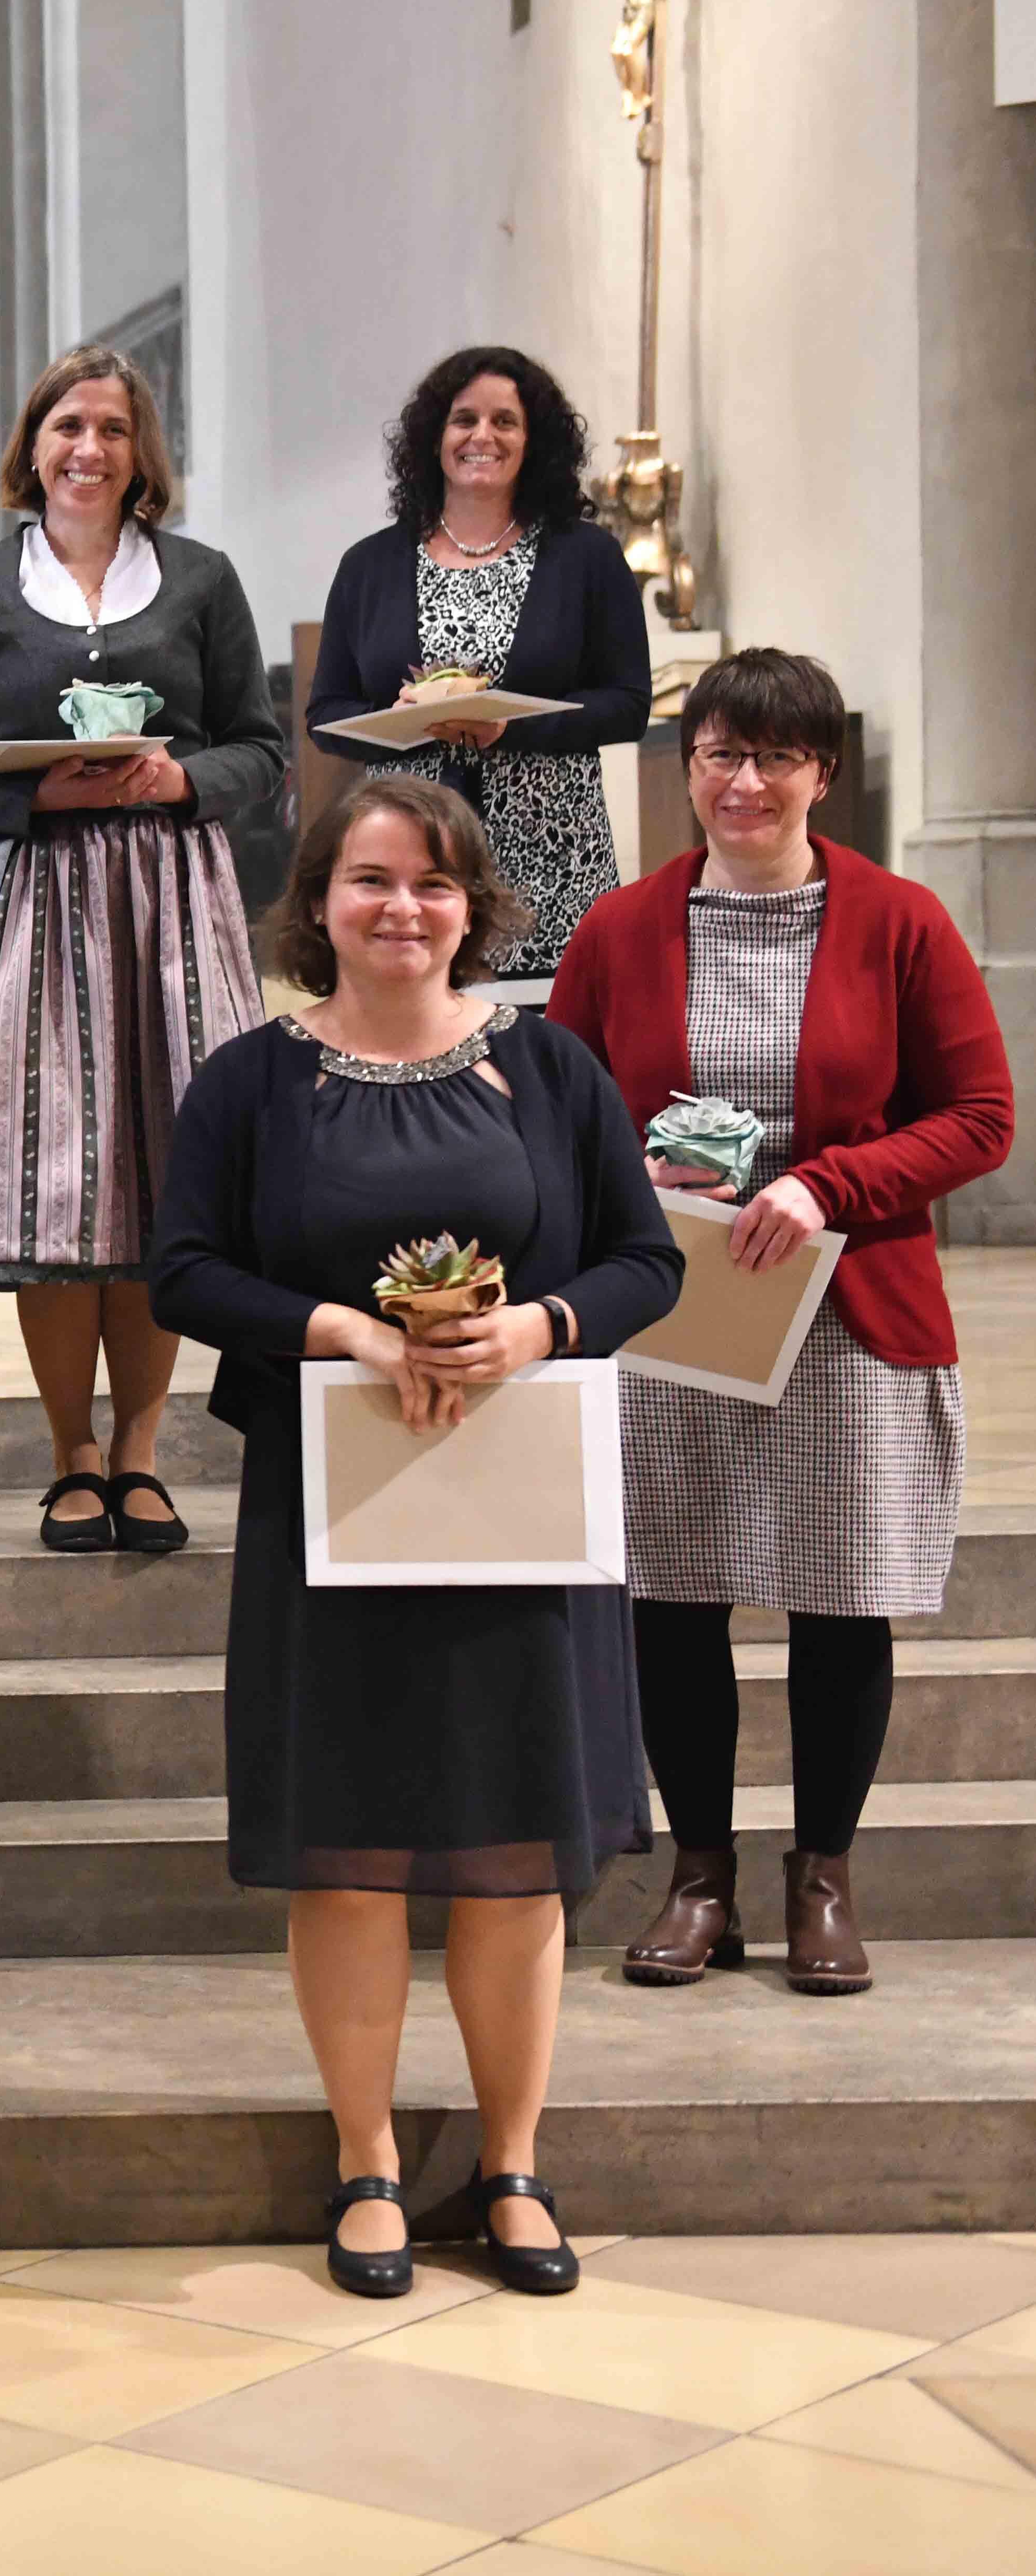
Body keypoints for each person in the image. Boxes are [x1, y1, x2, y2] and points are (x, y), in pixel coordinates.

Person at [152, 775, 680, 2302]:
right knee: (353, 1854)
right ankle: (368, 2157)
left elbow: (645, 1260)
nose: (401, 908)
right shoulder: (251, 1082)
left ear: (472, 904)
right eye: (371, 880)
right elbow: (180, 1269)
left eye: (432, 883)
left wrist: (538, 1325)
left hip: (520, 1502)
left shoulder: (549, 1067)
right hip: (334, 1506)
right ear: (316, 900)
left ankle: (510, 2162)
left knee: (520, 1862)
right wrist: (335, 1333)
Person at [548, 648, 1015, 1995]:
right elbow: (563, 1112)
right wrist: (623, 1180)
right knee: (673, 1598)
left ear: (820, 772)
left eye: (770, 757)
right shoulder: (620, 926)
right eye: (715, 754)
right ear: (683, 765)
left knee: (836, 1599)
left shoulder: (899, 920)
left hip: (843, 1310)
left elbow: (978, 1119)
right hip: (677, 1306)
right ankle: (699, 1878)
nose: (741, 782)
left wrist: (826, 1183)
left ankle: (822, 1877)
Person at [0, 344, 280, 1559]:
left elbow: (261, 752)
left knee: (163, 1176)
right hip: (35, 901)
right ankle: (70, 1452)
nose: (87, 448)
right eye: (67, 424)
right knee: (55, 1187)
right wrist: (32, 799)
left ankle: (141, 1453)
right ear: (32, 444)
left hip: (171, 900)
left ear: (139, 451)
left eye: (112, 428)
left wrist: (180, 774)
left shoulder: (200, 579)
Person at [308, 347, 650, 1001]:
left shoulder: (586, 556)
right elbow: (325, 717)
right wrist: (404, 725)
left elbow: (629, 704)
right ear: (434, 437)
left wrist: (507, 728)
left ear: (534, 441)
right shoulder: (370, 565)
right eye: (463, 419)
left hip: (554, 860)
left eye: (505, 422)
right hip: (409, 864)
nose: (482, 437)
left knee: (542, 1060)